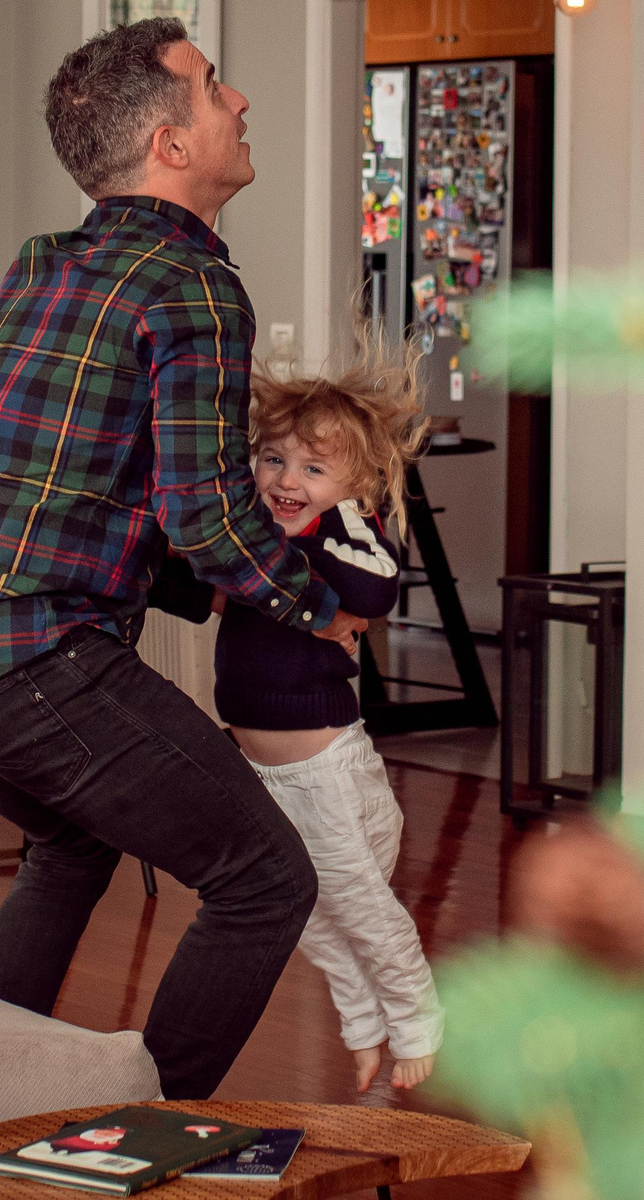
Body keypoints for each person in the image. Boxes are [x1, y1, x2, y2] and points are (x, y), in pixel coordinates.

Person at [0, 15, 369, 1100]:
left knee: (71, 846)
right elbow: (207, 517)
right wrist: (317, 607)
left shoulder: (49, 262)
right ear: (171, 147)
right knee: (265, 877)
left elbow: (96, 487)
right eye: (215, 88)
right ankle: (153, 1130)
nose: (240, 102)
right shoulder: (192, 287)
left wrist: (236, 587)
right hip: (25, 650)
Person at [200, 352, 444, 1094]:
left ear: (355, 483)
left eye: (313, 468)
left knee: (360, 901)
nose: (285, 481)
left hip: (327, 764)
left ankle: (418, 1016)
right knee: (300, 909)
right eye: (274, 459)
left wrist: (321, 525)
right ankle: (364, 1025)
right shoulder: (254, 538)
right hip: (260, 764)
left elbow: (376, 589)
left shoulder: (345, 528)